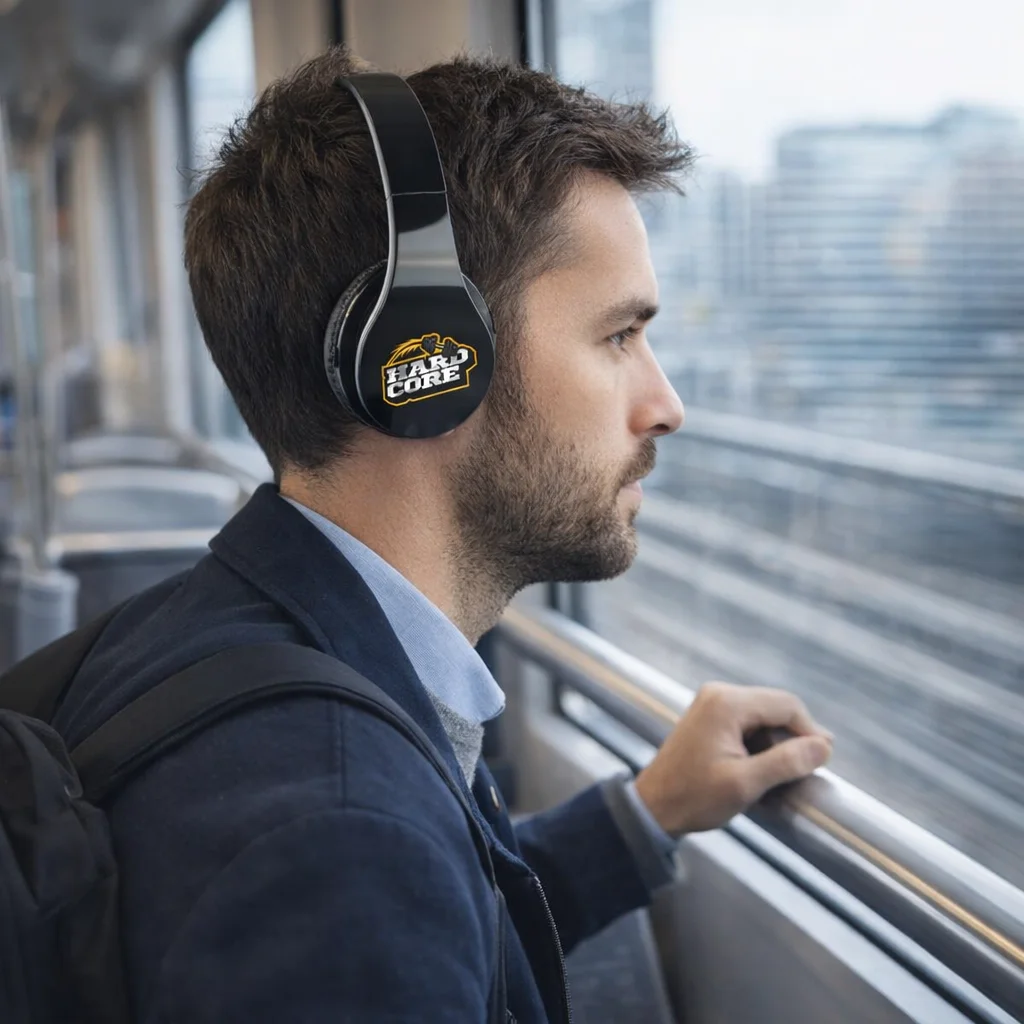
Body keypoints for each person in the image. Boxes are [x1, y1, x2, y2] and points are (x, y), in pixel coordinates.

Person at [53, 47, 834, 1022]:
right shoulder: (333, 835)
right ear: (428, 360)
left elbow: (433, 919)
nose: (664, 404)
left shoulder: (218, 636)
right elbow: (371, 895)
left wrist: (643, 812)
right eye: (618, 337)